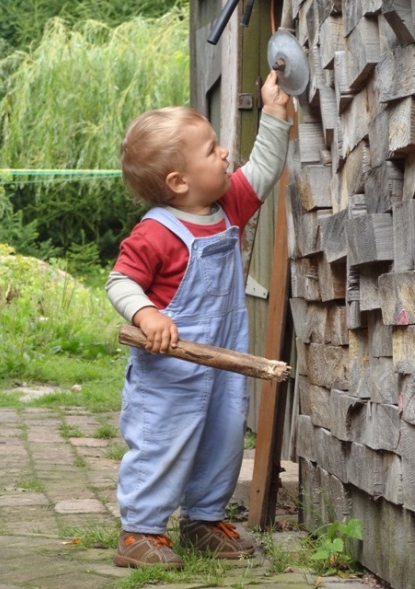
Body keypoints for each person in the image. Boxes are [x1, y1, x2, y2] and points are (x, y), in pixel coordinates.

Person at [106, 70, 291, 569]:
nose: (225, 153)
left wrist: (274, 111)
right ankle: (140, 531)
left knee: (223, 437)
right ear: (178, 181)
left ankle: (204, 521)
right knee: (163, 442)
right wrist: (146, 313)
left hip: (223, 361)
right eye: (211, 150)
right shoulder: (156, 234)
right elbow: (119, 282)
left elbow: (264, 170)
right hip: (170, 369)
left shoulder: (226, 204)